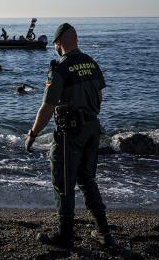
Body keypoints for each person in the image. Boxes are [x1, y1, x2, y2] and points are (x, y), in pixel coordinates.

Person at [24, 23, 113, 248]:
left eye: (55, 44)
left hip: (70, 134)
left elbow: (46, 108)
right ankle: (104, 232)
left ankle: (65, 236)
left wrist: (33, 134)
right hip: (93, 129)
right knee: (87, 179)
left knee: (63, 183)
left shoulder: (60, 70)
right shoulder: (91, 63)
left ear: (59, 43)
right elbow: (100, 98)